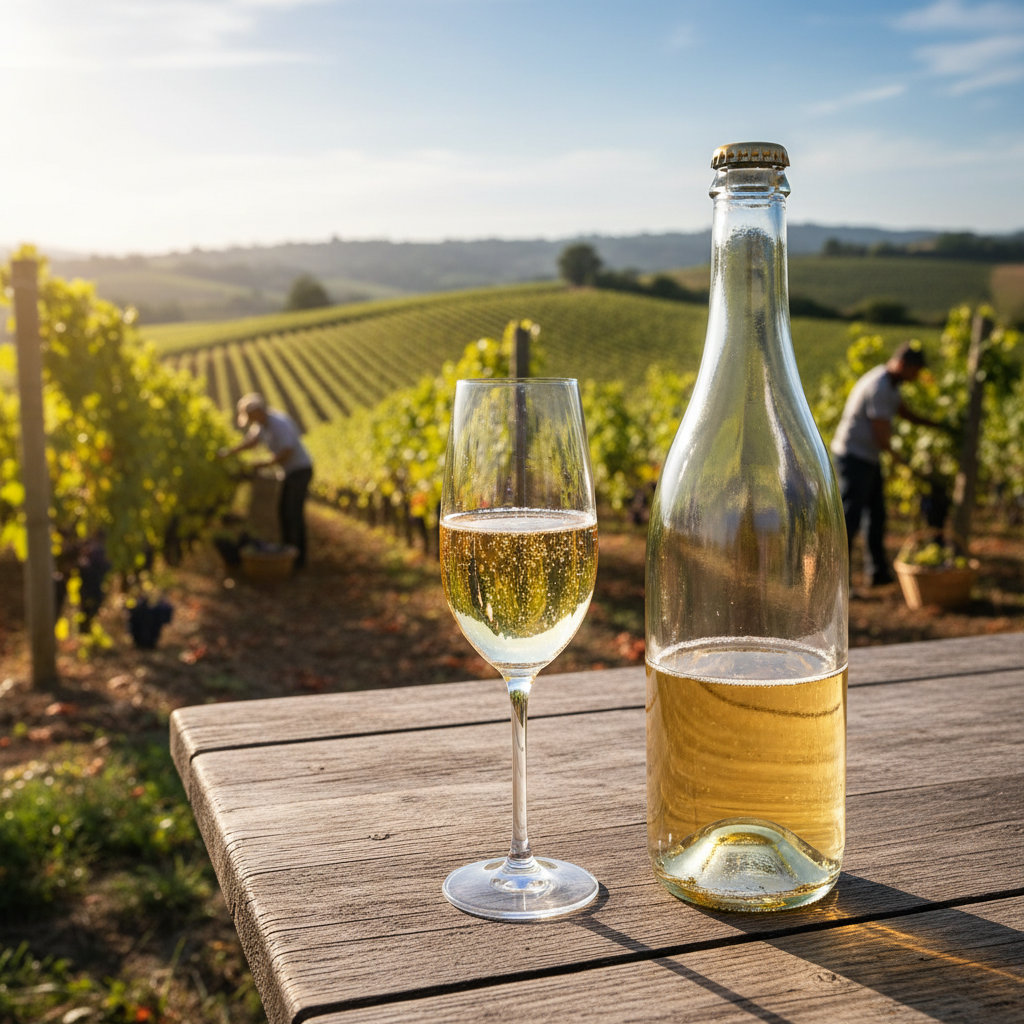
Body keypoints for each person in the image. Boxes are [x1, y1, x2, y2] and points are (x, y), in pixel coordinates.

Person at [830, 341, 944, 587]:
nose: (916, 376)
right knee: (850, 518)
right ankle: (839, 582)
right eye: (915, 371)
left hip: (867, 457)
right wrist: (904, 463)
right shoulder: (880, 386)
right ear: (903, 365)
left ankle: (877, 573)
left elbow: (904, 412)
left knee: (877, 515)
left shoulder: (892, 385)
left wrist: (934, 424)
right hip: (853, 456)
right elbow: (882, 437)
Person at [220, 393, 314, 568]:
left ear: (257, 411)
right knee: (284, 512)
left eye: (249, 416)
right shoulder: (261, 425)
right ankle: (290, 553)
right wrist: (229, 453)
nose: (249, 421)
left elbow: (287, 452)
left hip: (300, 470)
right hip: (290, 472)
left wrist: (264, 464)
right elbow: (251, 442)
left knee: (292, 513)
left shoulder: (278, 423)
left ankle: (298, 558)